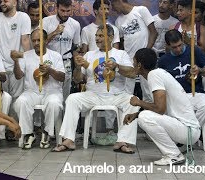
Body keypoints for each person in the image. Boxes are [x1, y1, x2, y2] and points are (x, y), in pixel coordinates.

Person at [53, 25, 139, 153]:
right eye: (96, 36)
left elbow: (132, 73)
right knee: (72, 99)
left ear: (110, 37)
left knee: (134, 100)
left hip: (116, 95)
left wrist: (116, 66)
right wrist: (77, 67)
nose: (97, 39)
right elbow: (78, 79)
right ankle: (69, 140)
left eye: (101, 36)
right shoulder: (89, 54)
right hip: (93, 95)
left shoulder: (121, 54)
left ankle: (122, 141)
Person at [124, 48, 200, 165]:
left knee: (145, 117)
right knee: (142, 115)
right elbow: (161, 109)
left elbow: (160, 109)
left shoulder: (154, 75)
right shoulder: (157, 73)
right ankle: (174, 153)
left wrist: (139, 102)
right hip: (188, 130)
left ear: (139, 65)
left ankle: (173, 155)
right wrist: (136, 114)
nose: (133, 64)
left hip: (188, 131)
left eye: (134, 62)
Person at [13, 29, 65, 149]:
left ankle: (46, 132)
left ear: (46, 40)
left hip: (52, 92)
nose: (36, 43)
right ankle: (28, 133)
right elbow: (18, 76)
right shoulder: (26, 55)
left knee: (54, 103)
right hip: (32, 92)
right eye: (34, 40)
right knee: (20, 102)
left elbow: (62, 78)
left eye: (39, 40)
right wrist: (15, 61)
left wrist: (50, 70)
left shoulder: (55, 56)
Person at [158, 29, 205, 127]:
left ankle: (190, 133)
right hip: (175, 97)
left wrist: (199, 70)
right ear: (167, 45)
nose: (178, 49)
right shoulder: (163, 61)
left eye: (180, 45)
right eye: (174, 47)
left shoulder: (194, 51)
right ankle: (187, 135)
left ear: (183, 41)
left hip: (195, 93)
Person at [81, 0, 121, 136]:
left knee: (110, 89)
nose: (106, 11)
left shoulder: (113, 29)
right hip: (91, 64)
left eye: (108, 8)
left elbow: (115, 50)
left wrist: (111, 62)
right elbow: (85, 50)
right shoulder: (86, 30)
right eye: (103, 8)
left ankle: (110, 129)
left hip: (108, 63)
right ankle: (90, 129)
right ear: (96, 11)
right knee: (92, 91)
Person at [111, 0, 158, 104]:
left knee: (149, 94)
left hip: (145, 62)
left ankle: (150, 117)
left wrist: (146, 54)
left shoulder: (141, 10)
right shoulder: (118, 21)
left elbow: (154, 33)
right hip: (130, 63)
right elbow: (122, 43)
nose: (112, 9)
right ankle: (128, 118)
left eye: (113, 4)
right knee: (127, 95)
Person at [0, 0, 31, 99]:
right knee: (1, 97)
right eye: (1, 1)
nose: (2, 3)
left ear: (14, 3)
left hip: (18, 63)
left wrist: (28, 61)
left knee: (17, 98)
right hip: (1, 64)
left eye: (5, 1)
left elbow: (25, 40)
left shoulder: (23, 17)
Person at [43, 0, 81, 101]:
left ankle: (64, 115)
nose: (65, 14)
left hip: (66, 62)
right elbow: (40, 44)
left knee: (66, 94)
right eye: (62, 10)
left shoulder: (75, 24)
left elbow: (76, 47)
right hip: (49, 61)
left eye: (68, 11)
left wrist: (77, 68)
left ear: (72, 9)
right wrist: (55, 32)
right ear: (57, 8)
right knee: (48, 91)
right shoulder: (46, 21)